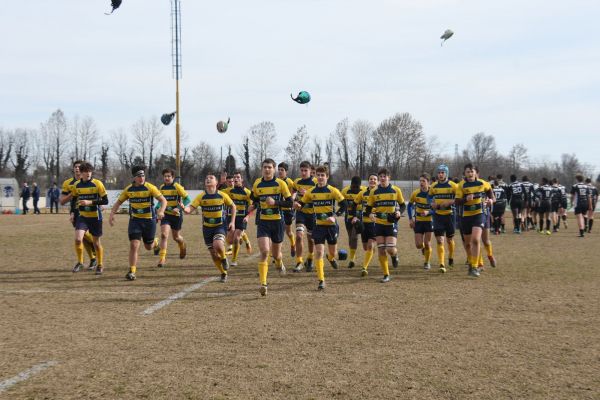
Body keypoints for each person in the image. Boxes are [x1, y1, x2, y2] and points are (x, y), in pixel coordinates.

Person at [109, 165, 167, 280]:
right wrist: (112, 214)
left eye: (143, 176)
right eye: (139, 176)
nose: (142, 178)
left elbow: (163, 200)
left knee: (148, 247)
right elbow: (118, 203)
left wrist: (161, 211)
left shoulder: (150, 187)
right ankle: (132, 271)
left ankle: (155, 243)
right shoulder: (129, 189)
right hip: (135, 221)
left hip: (149, 221)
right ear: (134, 177)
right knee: (134, 245)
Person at [295, 165, 345, 290]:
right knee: (319, 252)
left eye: (323, 175)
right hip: (318, 226)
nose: (321, 177)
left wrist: (335, 216)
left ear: (327, 177)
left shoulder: (333, 190)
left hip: (331, 227)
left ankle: (331, 257)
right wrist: (298, 204)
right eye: (318, 175)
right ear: (316, 176)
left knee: (332, 252)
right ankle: (321, 280)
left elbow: (344, 205)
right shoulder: (312, 191)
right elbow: (302, 202)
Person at [251, 158, 293, 296]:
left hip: (278, 223)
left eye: (270, 167)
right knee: (264, 251)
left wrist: (275, 202)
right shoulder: (257, 183)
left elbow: (289, 203)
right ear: (261, 169)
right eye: (265, 167)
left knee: (275, 254)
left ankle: (279, 262)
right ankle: (263, 284)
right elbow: (255, 198)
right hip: (263, 222)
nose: (267, 169)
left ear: (274, 169)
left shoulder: (280, 184)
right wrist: (252, 206)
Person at [184, 174, 235, 283]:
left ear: (216, 183)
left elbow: (233, 206)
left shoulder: (222, 195)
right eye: (206, 178)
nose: (208, 179)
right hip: (207, 228)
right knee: (213, 253)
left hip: (220, 225)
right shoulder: (201, 196)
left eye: (211, 178)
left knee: (218, 245)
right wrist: (185, 209)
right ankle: (223, 272)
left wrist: (232, 221)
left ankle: (224, 258)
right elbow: (190, 209)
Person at [62, 162, 108, 274]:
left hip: (95, 217)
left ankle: (100, 264)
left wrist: (90, 202)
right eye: (85, 172)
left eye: (89, 172)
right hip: (82, 217)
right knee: (78, 239)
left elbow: (105, 200)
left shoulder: (98, 184)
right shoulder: (76, 185)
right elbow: (73, 199)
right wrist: (72, 212)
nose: (88, 174)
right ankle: (80, 262)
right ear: (81, 173)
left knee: (96, 243)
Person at [366, 168, 406, 283]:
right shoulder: (374, 191)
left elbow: (403, 205)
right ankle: (386, 274)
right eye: (381, 176)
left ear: (389, 177)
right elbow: (368, 208)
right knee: (381, 250)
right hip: (378, 224)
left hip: (391, 223)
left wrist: (399, 212)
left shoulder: (395, 190)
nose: (382, 178)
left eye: (384, 176)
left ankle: (394, 256)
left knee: (390, 249)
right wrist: (370, 214)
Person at [455, 163, 494, 277]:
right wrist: (465, 199)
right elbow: (457, 202)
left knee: (476, 240)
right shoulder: (461, 185)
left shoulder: (483, 183)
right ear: (465, 174)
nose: (470, 173)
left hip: (479, 214)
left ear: (476, 172)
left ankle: (475, 266)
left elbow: (491, 196)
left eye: (472, 171)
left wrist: (491, 201)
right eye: (468, 171)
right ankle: (472, 263)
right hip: (466, 217)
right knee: (467, 244)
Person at [153, 168, 191, 268]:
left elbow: (188, 199)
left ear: (173, 177)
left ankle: (182, 244)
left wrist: (178, 208)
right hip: (166, 215)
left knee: (176, 237)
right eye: (165, 176)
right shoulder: (161, 187)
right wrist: (157, 208)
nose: (167, 178)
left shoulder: (177, 187)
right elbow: (160, 201)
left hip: (176, 216)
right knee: (164, 235)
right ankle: (162, 258)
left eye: (169, 176)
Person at [429, 164, 458, 272]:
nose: (440, 175)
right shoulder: (433, 186)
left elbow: (459, 198)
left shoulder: (453, 186)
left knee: (450, 240)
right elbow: (429, 197)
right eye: (439, 172)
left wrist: (450, 202)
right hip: (438, 216)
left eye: (442, 172)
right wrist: (431, 203)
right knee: (440, 240)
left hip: (450, 215)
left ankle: (450, 256)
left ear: (446, 173)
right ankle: (441, 263)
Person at [225, 171, 254, 266]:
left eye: (238, 177)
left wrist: (247, 216)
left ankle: (234, 260)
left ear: (242, 179)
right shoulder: (229, 191)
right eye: (235, 177)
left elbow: (252, 207)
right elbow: (217, 193)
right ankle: (245, 239)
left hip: (242, 218)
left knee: (236, 238)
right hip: (231, 218)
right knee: (229, 240)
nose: (236, 179)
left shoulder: (247, 192)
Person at [292, 161, 317, 272]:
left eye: (305, 170)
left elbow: (319, 196)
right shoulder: (297, 182)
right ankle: (299, 262)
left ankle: (310, 258)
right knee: (299, 235)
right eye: (301, 170)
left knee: (311, 239)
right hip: (301, 212)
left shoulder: (315, 182)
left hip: (312, 213)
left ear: (310, 171)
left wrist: (308, 193)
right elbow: (292, 193)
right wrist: (293, 200)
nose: (303, 173)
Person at [352, 174, 379, 277]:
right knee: (365, 247)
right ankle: (371, 251)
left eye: (374, 179)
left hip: (376, 223)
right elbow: (354, 204)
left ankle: (364, 267)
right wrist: (354, 216)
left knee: (370, 245)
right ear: (368, 181)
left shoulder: (380, 193)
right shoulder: (362, 193)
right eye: (371, 179)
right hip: (364, 224)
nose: (372, 181)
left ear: (377, 181)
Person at [408, 173, 434, 270]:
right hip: (418, 221)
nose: (421, 183)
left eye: (423, 181)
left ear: (428, 182)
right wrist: (411, 219)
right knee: (419, 245)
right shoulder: (415, 193)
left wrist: (429, 212)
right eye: (420, 181)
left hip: (429, 221)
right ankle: (424, 249)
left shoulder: (433, 193)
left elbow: (437, 209)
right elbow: (409, 205)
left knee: (427, 243)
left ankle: (427, 262)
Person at [340, 176, 365, 268]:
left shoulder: (364, 191)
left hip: (359, 218)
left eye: (356, 187)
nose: (355, 189)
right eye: (353, 186)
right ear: (350, 185)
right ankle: (352, 256)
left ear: (360, 186)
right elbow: (340, 202)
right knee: (350, 238)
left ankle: (352, 259)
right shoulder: (345, 191)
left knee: (354, 237)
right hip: (348, 218)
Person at [278, 162, 297, 257]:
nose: (280, 172)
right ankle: (277, 252)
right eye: (279, 170)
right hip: (278, 209)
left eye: (282, 170)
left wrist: (292, 198)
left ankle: (293, 244)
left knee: (288, 232)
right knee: (279, 231)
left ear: (286, 172)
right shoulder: (276, 181)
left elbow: (295, 191)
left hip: (288, 209)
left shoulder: (290, 182)